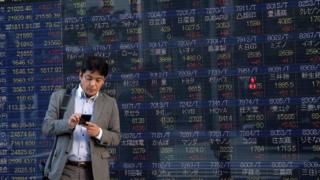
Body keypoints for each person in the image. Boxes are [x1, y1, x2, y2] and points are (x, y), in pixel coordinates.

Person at [42, 56, 121, 180]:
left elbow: (116, 137)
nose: (92, 84)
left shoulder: (110, 103)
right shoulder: (60, 97)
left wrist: (99, 133)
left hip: (95, 172)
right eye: (88, 78)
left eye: (98, 80)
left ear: (104, 80)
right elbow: (46, 126)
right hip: (64, 170)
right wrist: (68, 124)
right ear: (80, 75)